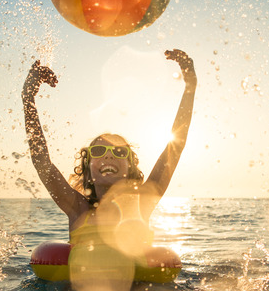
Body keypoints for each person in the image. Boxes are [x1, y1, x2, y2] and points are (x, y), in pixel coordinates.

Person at [22, 49, 197, 244]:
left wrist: (190, 86)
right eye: (98, 151)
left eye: (119, 151)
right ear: (87, 168)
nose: (108, 155)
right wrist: (27, 98)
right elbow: (42, 162)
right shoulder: (76, 207)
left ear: (130, 167)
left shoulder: (143, 203)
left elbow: (176, 146)